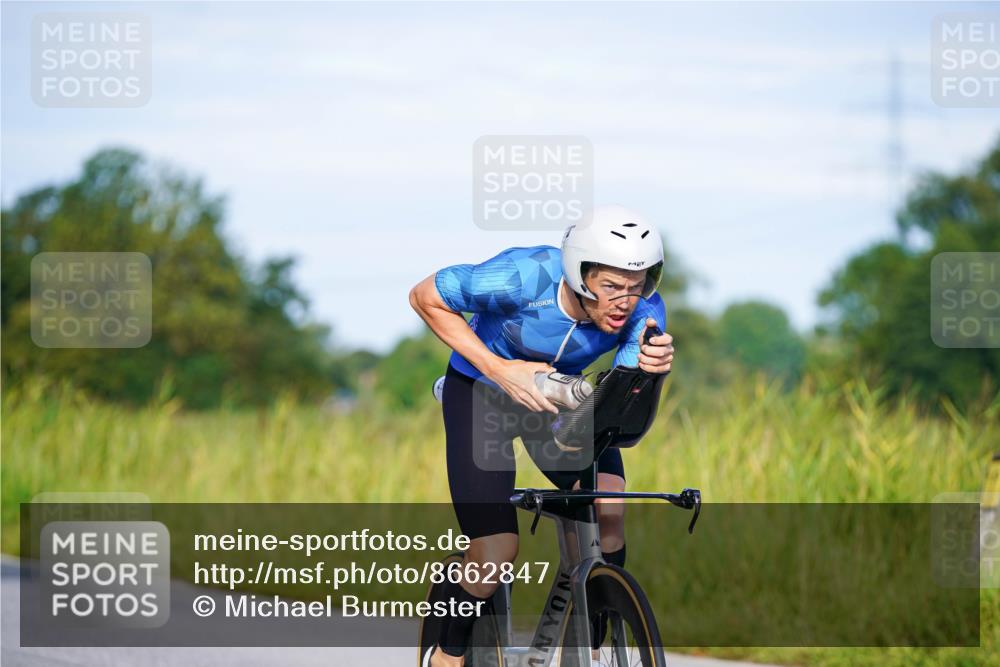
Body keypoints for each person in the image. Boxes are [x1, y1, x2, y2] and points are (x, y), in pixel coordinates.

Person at [410, 205, 675, 666]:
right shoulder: (520, 276)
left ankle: (593, 647)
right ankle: (446, 653)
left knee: (608, 511)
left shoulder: (646, 313)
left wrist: (651, 375)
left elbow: (621, 417)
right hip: (481, 393)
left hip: (554, 398)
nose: (625, 302)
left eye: (636, 287)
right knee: (495, 551)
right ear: (578, 274)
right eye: (610, 286)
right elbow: (423, 297)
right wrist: (499, 369)